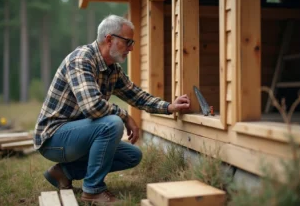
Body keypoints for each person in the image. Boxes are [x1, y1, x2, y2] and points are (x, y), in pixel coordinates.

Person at [33, 15, 190, 204]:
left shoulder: (112, 69)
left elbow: (136, 95)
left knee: (132, 155)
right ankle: (92, 190)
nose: (131, 48)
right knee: (112, 123)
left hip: (78, 136)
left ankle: (63, 173)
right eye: (128, 42)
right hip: (53, 138)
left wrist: (169, 106)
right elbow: (92, 107)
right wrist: (124, 116)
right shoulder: (81, 59)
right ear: (109, 39)